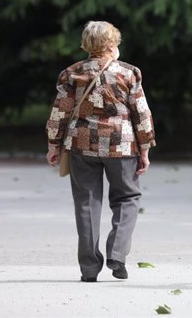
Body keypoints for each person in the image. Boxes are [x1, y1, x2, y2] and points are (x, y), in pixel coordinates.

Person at [46, 21, 156, 282]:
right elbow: (141, 113)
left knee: (86, 202)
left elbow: (59, 112)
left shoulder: (71, 73)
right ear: (110, 44)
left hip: (81, 145)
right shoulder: (129, 73)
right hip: (121, 145)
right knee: (127, 198)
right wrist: (145, 148)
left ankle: (88, 268)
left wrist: (53, 143)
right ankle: (117, 254)